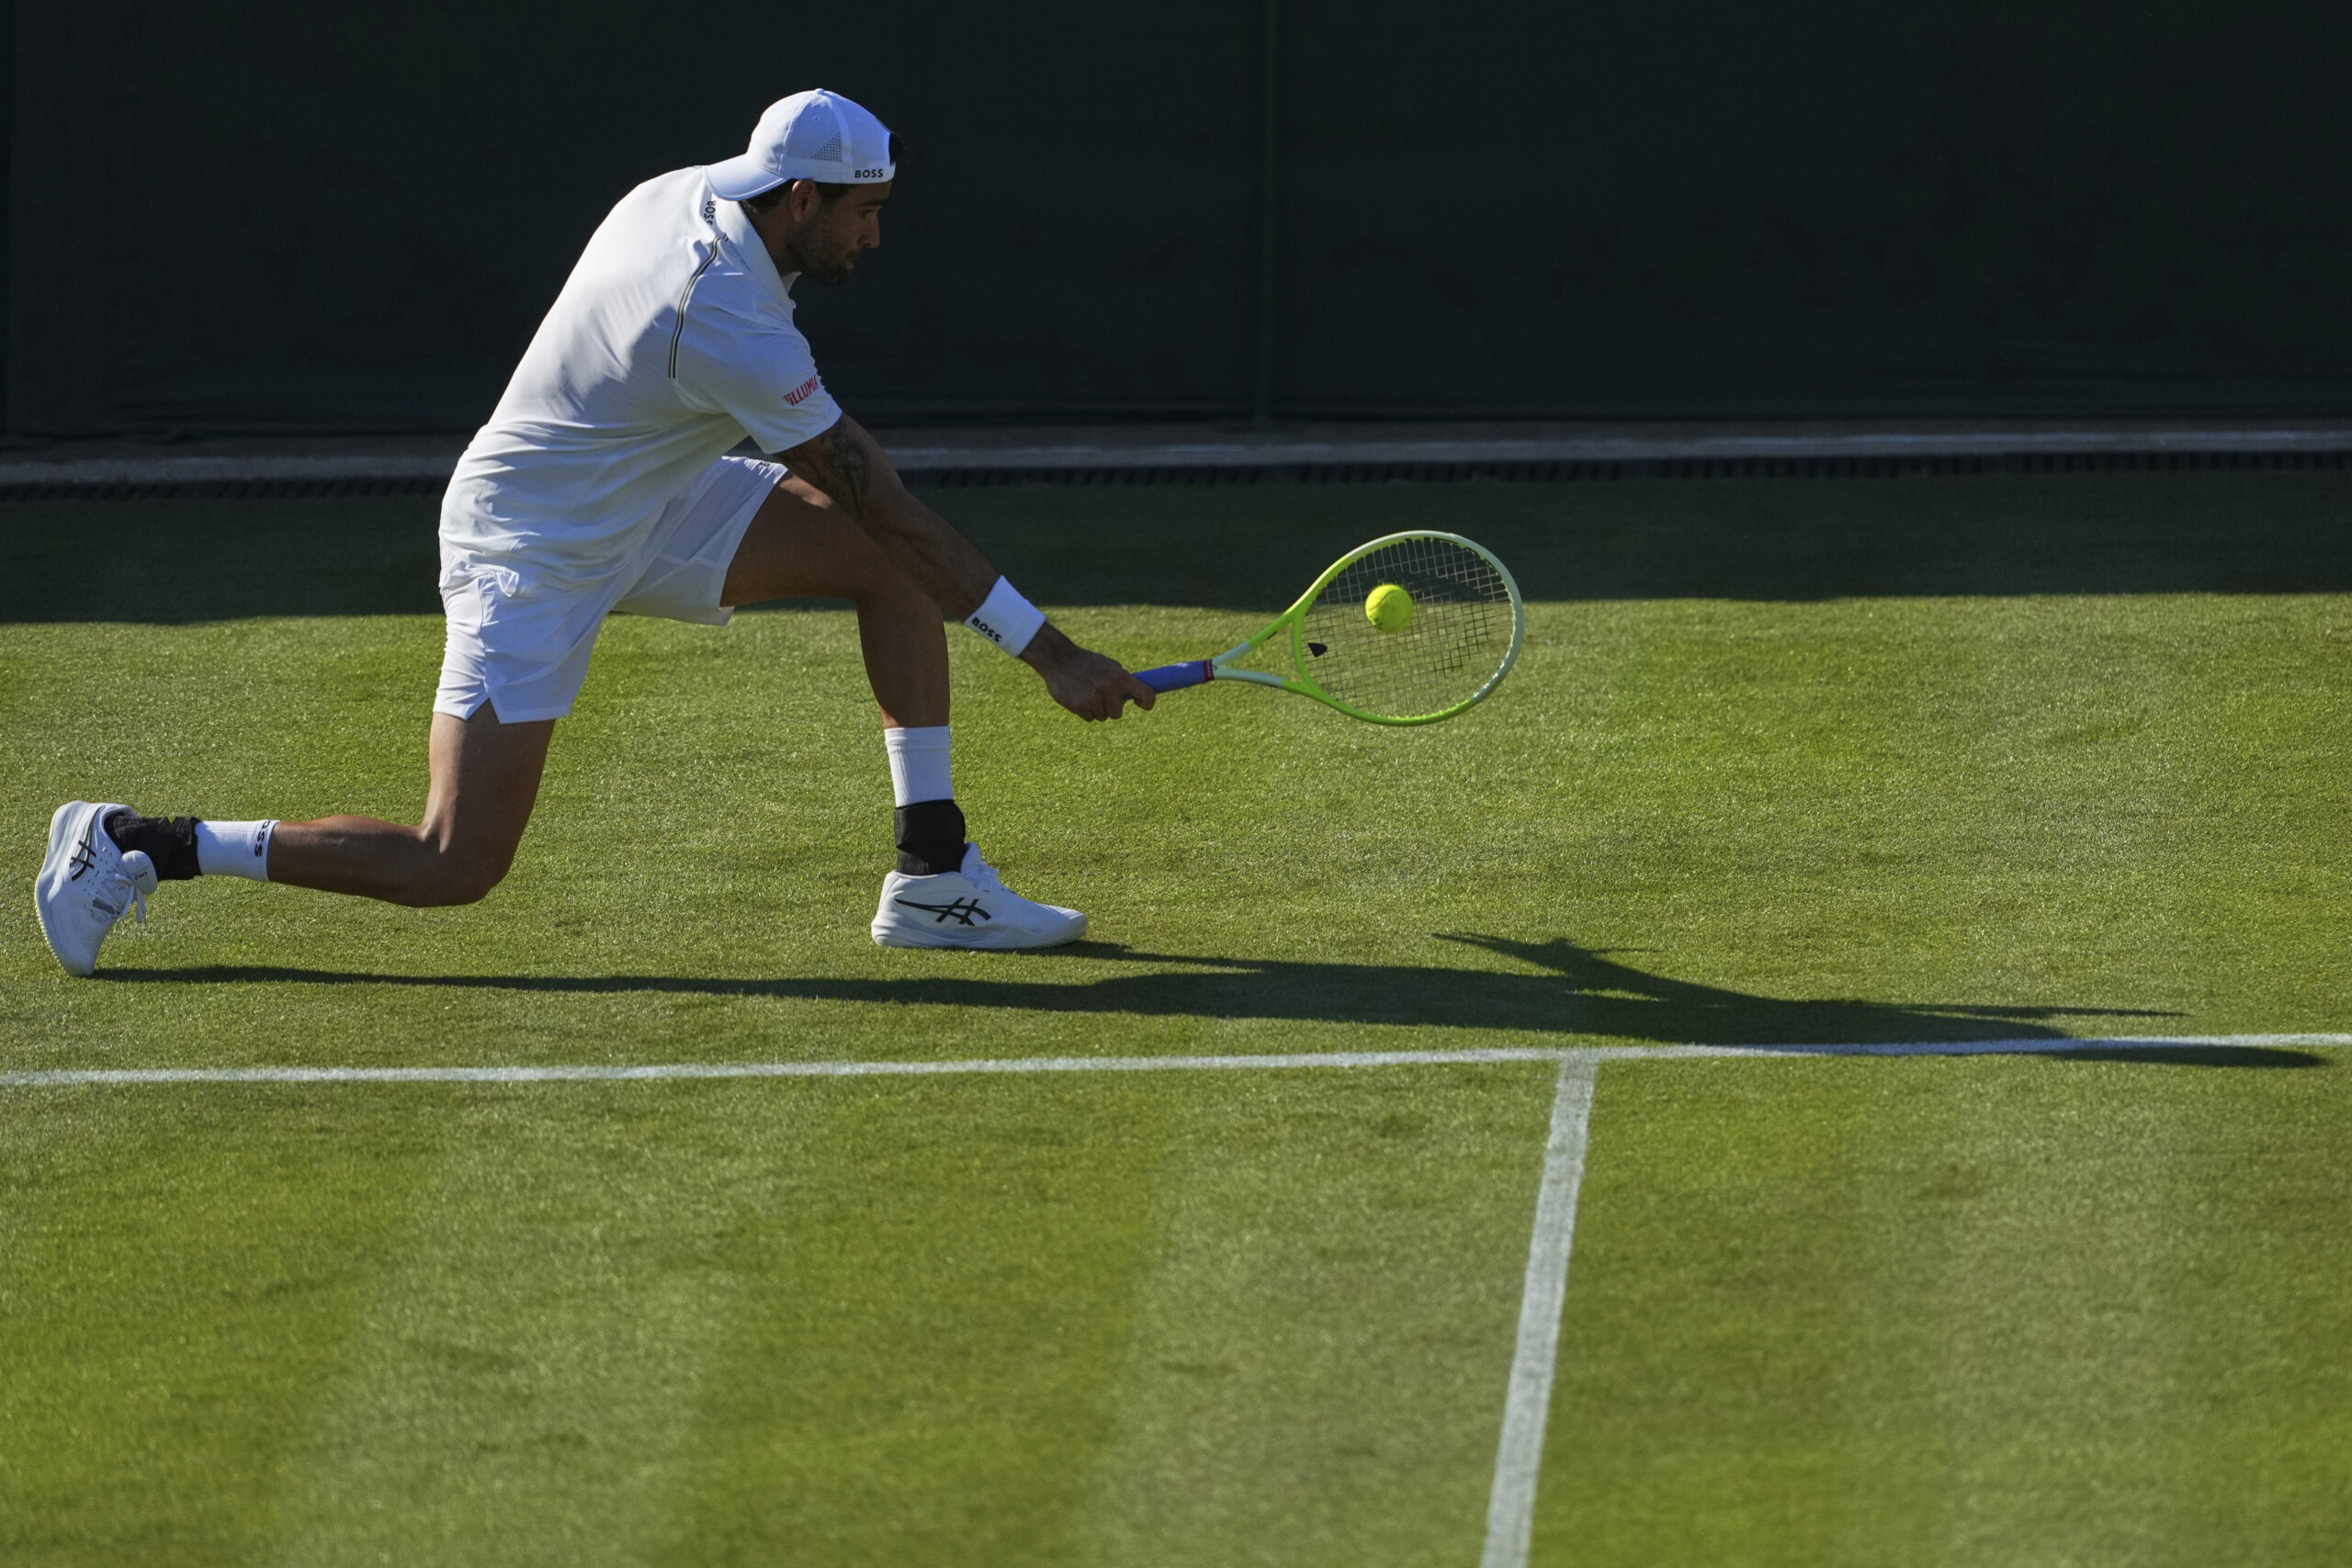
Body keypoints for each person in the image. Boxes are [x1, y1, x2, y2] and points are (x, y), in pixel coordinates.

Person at [35, 88, 1155, 977]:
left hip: (648, 498)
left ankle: (932, 872)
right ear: (802, 198)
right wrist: (1050, 655)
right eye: (866, 213)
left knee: (880, 556)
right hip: (529, 552)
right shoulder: (718, 313)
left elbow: (876, 511)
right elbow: (877, 492)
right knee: (454, 862)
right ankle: (140, 843)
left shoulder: (690, 195)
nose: (879, 236)